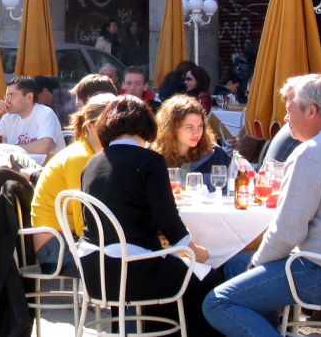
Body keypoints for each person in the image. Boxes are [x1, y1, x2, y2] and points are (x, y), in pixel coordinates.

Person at [203, 74, 321, 337]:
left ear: (311, 111)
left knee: (218, 302)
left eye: (290, 110)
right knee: (235, 265)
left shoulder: (312, 152)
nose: (286, 118)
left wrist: (256, 266)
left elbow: (287, 231)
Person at [79, 95, 220, 335]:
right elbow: (167, 218)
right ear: (147, 125)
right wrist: (193, 250)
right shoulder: (150, 161)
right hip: (134, 272)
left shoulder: (92, 163)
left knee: (175, 272)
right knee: (212, 281)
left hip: (94, 271)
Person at [30, 93, 115, 278]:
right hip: (57, 247)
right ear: (90, 126)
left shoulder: (91, 152)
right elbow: (84, 222)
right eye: (108, 124)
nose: (115, 130)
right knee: (128, 264)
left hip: (65, 240)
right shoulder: (81, 157)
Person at [152, 95, 231, 192]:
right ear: (171, 128)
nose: (197, 133)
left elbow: (233, 187)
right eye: (190, 127)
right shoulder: (153, 157)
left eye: (200, 126)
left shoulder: (215, 155)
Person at [0, 76, 66, 156]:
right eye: (6, 96)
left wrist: (9, 148)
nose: (6, 100)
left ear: (29, 97)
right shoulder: (8, 118)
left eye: (11, 95)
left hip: (46, 167)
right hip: (19, 167)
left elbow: (44, 147)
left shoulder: (45, 113)